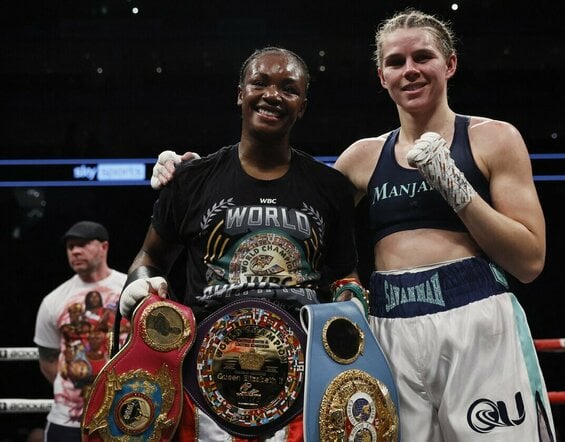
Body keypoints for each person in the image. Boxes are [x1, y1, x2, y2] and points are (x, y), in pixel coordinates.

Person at [151, 10, 557, 440]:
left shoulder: (494, 138)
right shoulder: (360, 158)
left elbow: (529, 260)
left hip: (478, 318)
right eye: (396, 62)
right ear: (381, 75)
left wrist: (455, 187)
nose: (410, 70)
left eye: (423, 57)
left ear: (450, 64)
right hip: (390, 327)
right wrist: (192, 177)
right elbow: (291, 194)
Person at [116, 47, 360, 441]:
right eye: (259, 82)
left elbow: (345, 274)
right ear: (240, 93)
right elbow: (150, 256)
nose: (273, 95)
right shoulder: (192, 179)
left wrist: (352, 301)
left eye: (289, 88)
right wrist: (139, 286)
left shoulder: (329, 188)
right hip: (205, 378)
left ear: (303, 105)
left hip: (304, 380)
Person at [33, 220, 127, 441]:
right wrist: (76, 383)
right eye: (70, 246)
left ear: (104, 247)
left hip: (124, 414)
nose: (75, 251)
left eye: (82, 244)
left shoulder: (129, 289)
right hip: (68, 419)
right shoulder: (54, 300)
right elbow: (48, 360)